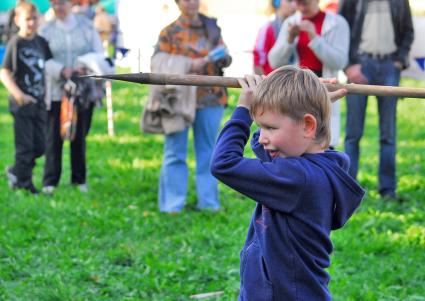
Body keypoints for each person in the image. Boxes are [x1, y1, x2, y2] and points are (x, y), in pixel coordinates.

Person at [211, 66, 365, 300]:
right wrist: (307, 102)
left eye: (270, 127)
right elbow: (262, 147)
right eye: (261, 126)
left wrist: (243, 109)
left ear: (308, 126)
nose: (262, 137)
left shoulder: (297, 178)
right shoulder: (317, 166)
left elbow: (223, 163)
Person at [152, 0, 231, 213]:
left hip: (211, 97)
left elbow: (226, 59)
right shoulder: (169, 32)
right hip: (178, 100)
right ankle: (172, 205)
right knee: (174, 151)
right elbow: (157, 63)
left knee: (208, 152)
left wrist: (222, 56)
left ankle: (208, 203)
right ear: (178, 3)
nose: (192, 2)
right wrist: (188, 64)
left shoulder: (211, 27)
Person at [339, 0, 414, 200]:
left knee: (388, 134)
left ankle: (388, 190)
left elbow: (408, 30)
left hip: (390, 65)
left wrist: (399, 61)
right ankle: (347, 190)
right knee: (353, 134)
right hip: (360, 64)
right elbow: (341, 29)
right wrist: (348, 66)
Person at [39, 0, 104, 194]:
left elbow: (99, 53)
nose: (58, 7)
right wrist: (62, 70)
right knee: (53, 136)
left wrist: (85, 65)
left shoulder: (86, 26)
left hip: (82, 91)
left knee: (80, 135)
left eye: (62, 3)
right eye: (54, 4)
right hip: (56, 91)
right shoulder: (46, 30)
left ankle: (79, 178)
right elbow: (41, 59)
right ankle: (50, 180)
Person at [268, 0, 349, 147]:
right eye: (298, 3)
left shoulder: (338, 23)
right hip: (298, 89)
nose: (301, 7)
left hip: (325, 87)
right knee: (298, 137)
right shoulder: (291, 22)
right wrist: (289, 40)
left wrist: (314, 37)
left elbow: (339, 62)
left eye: (305, 3)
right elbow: (274, 61)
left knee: (322, 140)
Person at [1, 2, 53, 194]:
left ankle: (15, 171)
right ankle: (24, 183)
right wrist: (19, 95)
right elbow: (4, 73)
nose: (31, 23)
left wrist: (47, 96)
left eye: (34, 19)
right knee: (25, 147)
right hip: (22, 104)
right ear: (17, 20)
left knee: (40, 145)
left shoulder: (40, 42)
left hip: (39, 101)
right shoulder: (16, 43)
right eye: (27, 19)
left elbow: (45, 71)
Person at [252, 0, 296, 75]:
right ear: (277, 2)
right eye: (289, 1)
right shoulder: (268, 28)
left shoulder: (298, 25)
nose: (294, 5)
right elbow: (258, 62)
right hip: (272, 80)